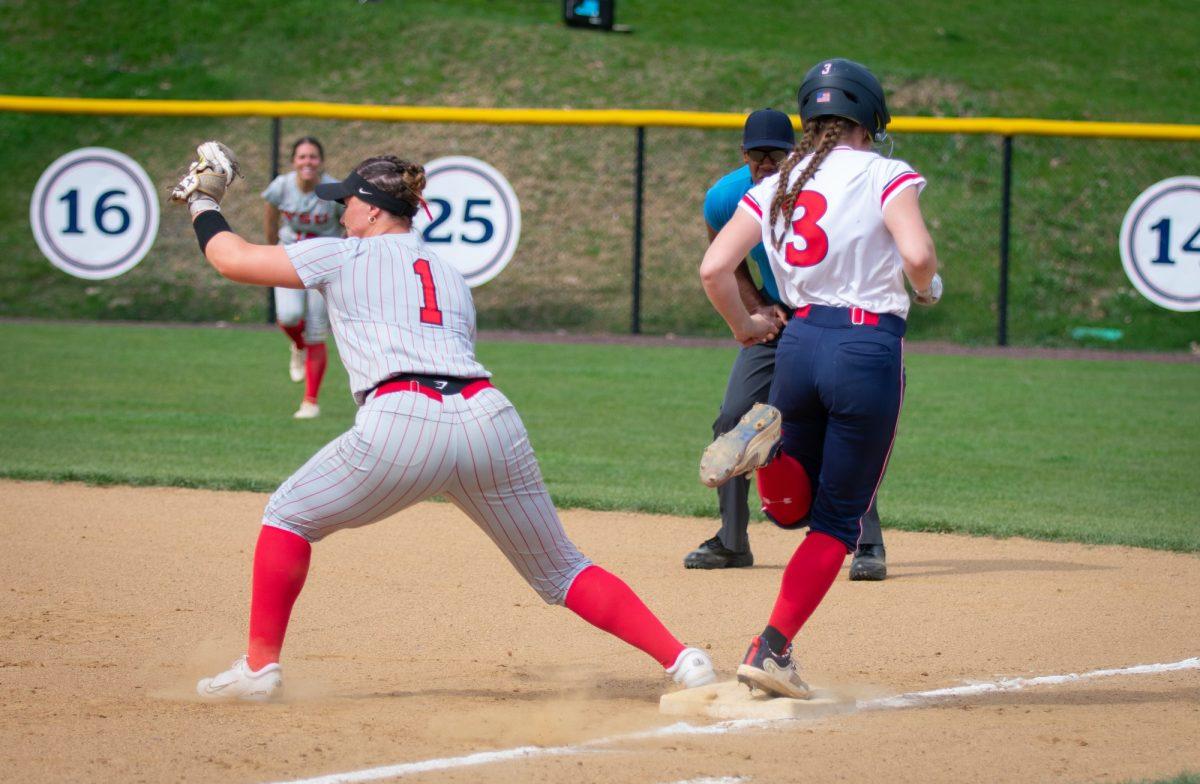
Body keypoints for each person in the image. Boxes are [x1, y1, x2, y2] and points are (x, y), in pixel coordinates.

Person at [169, 143, 718, 701]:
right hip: (488, 417)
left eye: (349, 203)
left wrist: (203, 203)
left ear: (375, 211)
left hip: (402, 419)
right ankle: (684, 660)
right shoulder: (450, 274)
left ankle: (260, 668)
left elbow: (230, 259)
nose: (341, 213)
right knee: (562, 570)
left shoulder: (340, 255)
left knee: (287, 516)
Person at [696, 59, 941, 698]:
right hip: (865, 345)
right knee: (836, 522)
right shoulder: (886, 172)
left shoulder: (777, 180)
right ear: (871, 118)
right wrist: (929, 284)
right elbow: (916, 255)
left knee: (790, 510)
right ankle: (771, 649)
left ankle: (763, 455)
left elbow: (714, 268)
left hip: (799, 342)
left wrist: (747, 328)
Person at [686, 109, 892, 581]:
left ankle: (866, 542)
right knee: (731, 418)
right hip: (774, 319)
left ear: (793, 152)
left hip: (827, 315)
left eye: (775, 156)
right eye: (755, 156)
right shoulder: (725, 196)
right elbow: (723, 256)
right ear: (743, 155)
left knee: (842, 419)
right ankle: (732, 541)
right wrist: (757, 305)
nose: (765, 165)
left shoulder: (823, 186)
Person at [262, 136, 342, 420]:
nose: (307, 162)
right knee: (289, 316)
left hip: (323, 261)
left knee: (317, 330)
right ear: (294, 161)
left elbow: (348, 224)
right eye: (302, 157)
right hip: (290, 256)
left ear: (321, 161)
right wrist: (271, 249)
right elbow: (270, 216)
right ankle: (297, 345)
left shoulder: (333, 190)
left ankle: (310, 401)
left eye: (313, 156)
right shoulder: (281, 186)